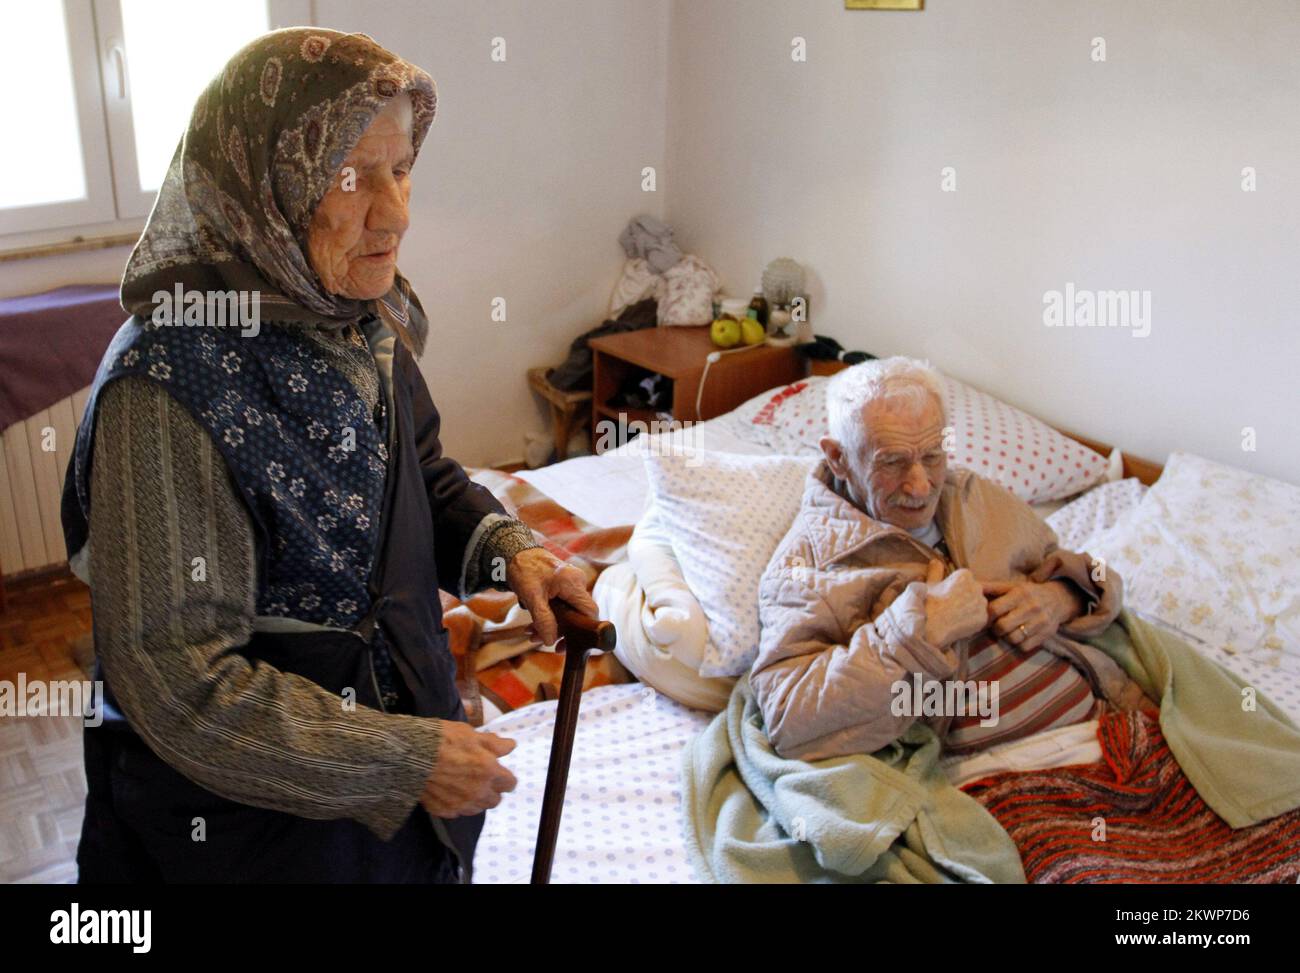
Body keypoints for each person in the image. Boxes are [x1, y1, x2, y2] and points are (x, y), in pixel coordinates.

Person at [61, 28, 596, 883]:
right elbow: (179, 683)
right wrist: (402, 760)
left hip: (390, 770)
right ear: (264, 187)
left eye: (402, 168)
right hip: (248, 832)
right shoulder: (165, 386)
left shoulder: (350, 311)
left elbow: (418, 477)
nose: (398, 212)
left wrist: (508, 548)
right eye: (353, 178)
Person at [751, 356, 1147, 761]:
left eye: (934, 456)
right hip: (993, 777)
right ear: (839, 458)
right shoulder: (808, 565)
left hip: (1110, 719)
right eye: (892, 462)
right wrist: (921, 630)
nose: (921, 486)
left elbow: (1097, 573)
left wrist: (1064, 596)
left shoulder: (974, 493)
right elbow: (787, 719)